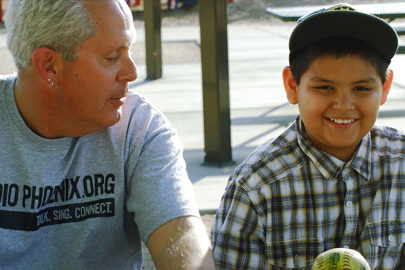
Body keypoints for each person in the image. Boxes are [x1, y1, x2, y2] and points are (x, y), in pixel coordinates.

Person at [0, 0, 215, 269]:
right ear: (49, 65)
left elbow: (180, 235)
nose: (132, 72)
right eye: (112, 57)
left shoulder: (140, 127)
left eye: (129, 51)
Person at [212, 3, 405, 269]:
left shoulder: (400, 163)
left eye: (361, 88)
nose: (344, 104)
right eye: (324, 87)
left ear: (384, 88)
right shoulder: (255, 188)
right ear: (292, 86)